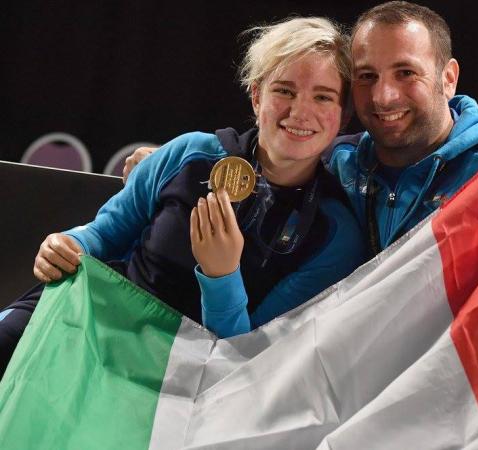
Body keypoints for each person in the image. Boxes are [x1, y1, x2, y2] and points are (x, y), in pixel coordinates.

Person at [123, 2, 478, 316]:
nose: (385, 96)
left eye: (406, 73)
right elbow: (269, 147)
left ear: (449, 77)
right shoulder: (344, 159)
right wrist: (164, 167)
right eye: (367, 77)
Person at [0, 17, 367, 374]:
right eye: (284, 90)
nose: (300, 111)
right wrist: (67, 243)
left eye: (323, 97)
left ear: (343, 115)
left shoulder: (334, 234)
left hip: (177, 374)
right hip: (94, 315)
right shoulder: (190, 153)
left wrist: (221, 276)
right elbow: (105, 232)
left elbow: (247, 360)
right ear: (257, 96)